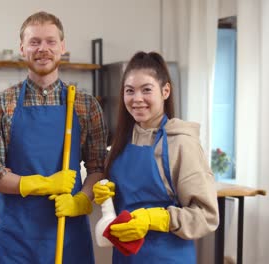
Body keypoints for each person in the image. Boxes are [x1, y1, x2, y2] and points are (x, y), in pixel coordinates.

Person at [0, 11, 107, 264]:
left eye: (50, 41)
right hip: (16, 238)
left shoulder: (85, 105)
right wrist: (41, 184)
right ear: (22, 48)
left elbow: (98, 169)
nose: (43, 49)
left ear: (62, 46)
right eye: (35, 42)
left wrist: (81, 200)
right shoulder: (0, 104)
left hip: (67, 232)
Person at [93, 51, 219, 263]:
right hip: (126, 257)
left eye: (146, 90)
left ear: (165, 91)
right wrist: (107, 198)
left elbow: (206, 215)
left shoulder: (181, 143)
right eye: (130, 91)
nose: (137, 99)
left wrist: (157, 218)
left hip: (167, 256)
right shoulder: (121, 142)